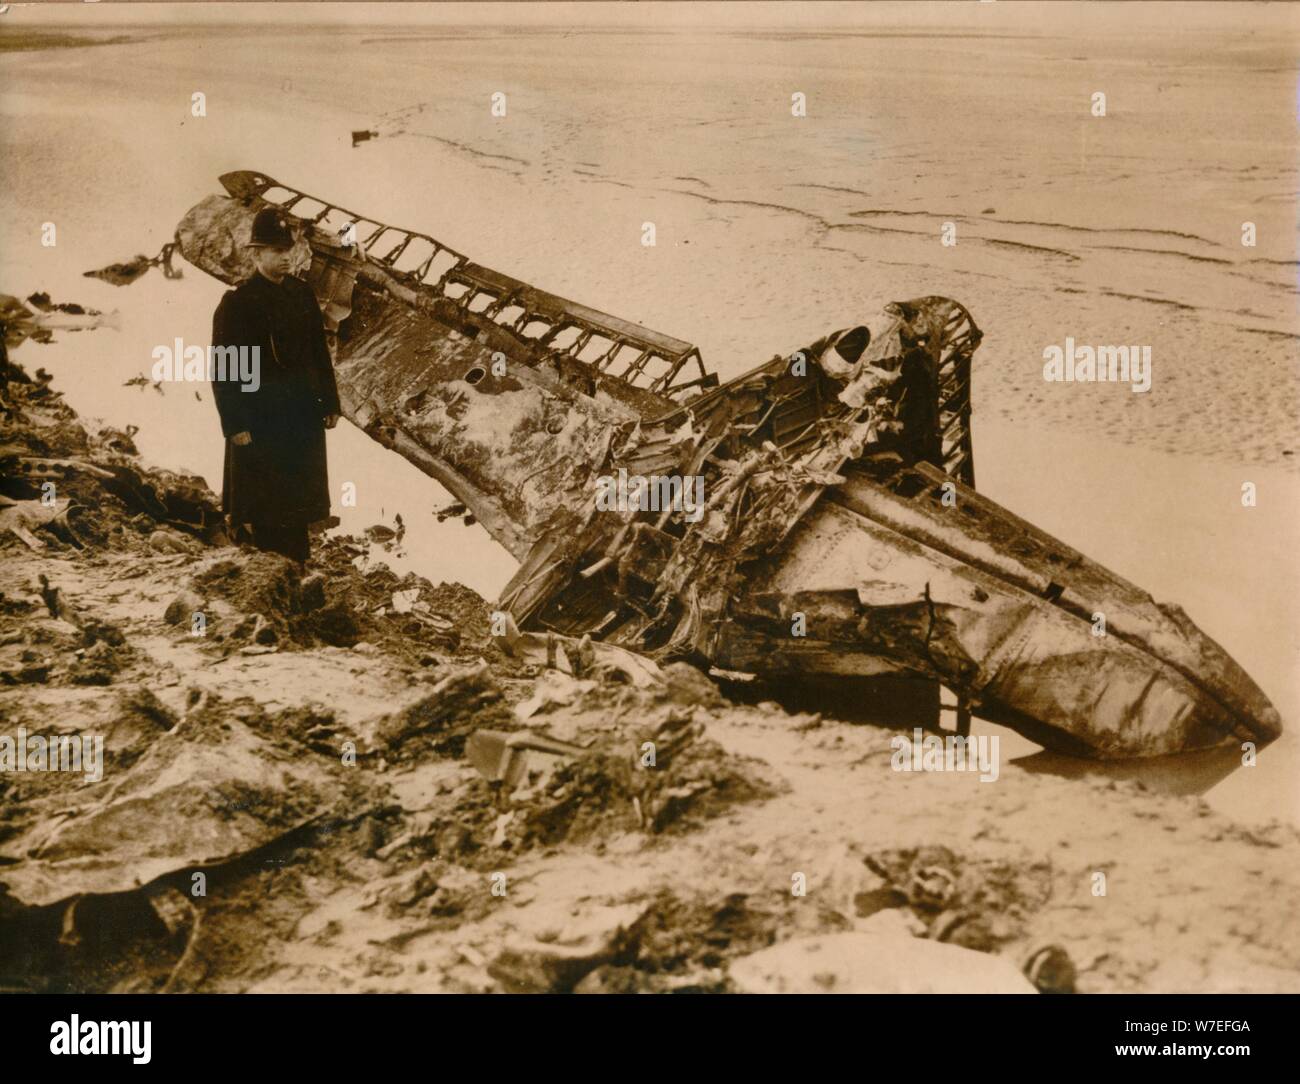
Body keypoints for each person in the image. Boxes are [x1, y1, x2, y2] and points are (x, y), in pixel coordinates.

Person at [210, 207, 341, 564]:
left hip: (301, 417)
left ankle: (297, 564)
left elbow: (319, 352)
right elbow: (225, 370)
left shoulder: (301, 295)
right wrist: (234, 424)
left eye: (288, 251)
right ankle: (271, 566)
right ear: (256, 254)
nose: (286, 259)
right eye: (276, 252)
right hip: (261, 419)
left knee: (298, 501)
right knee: (266, 504)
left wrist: (330, 403)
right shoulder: (238, 303)